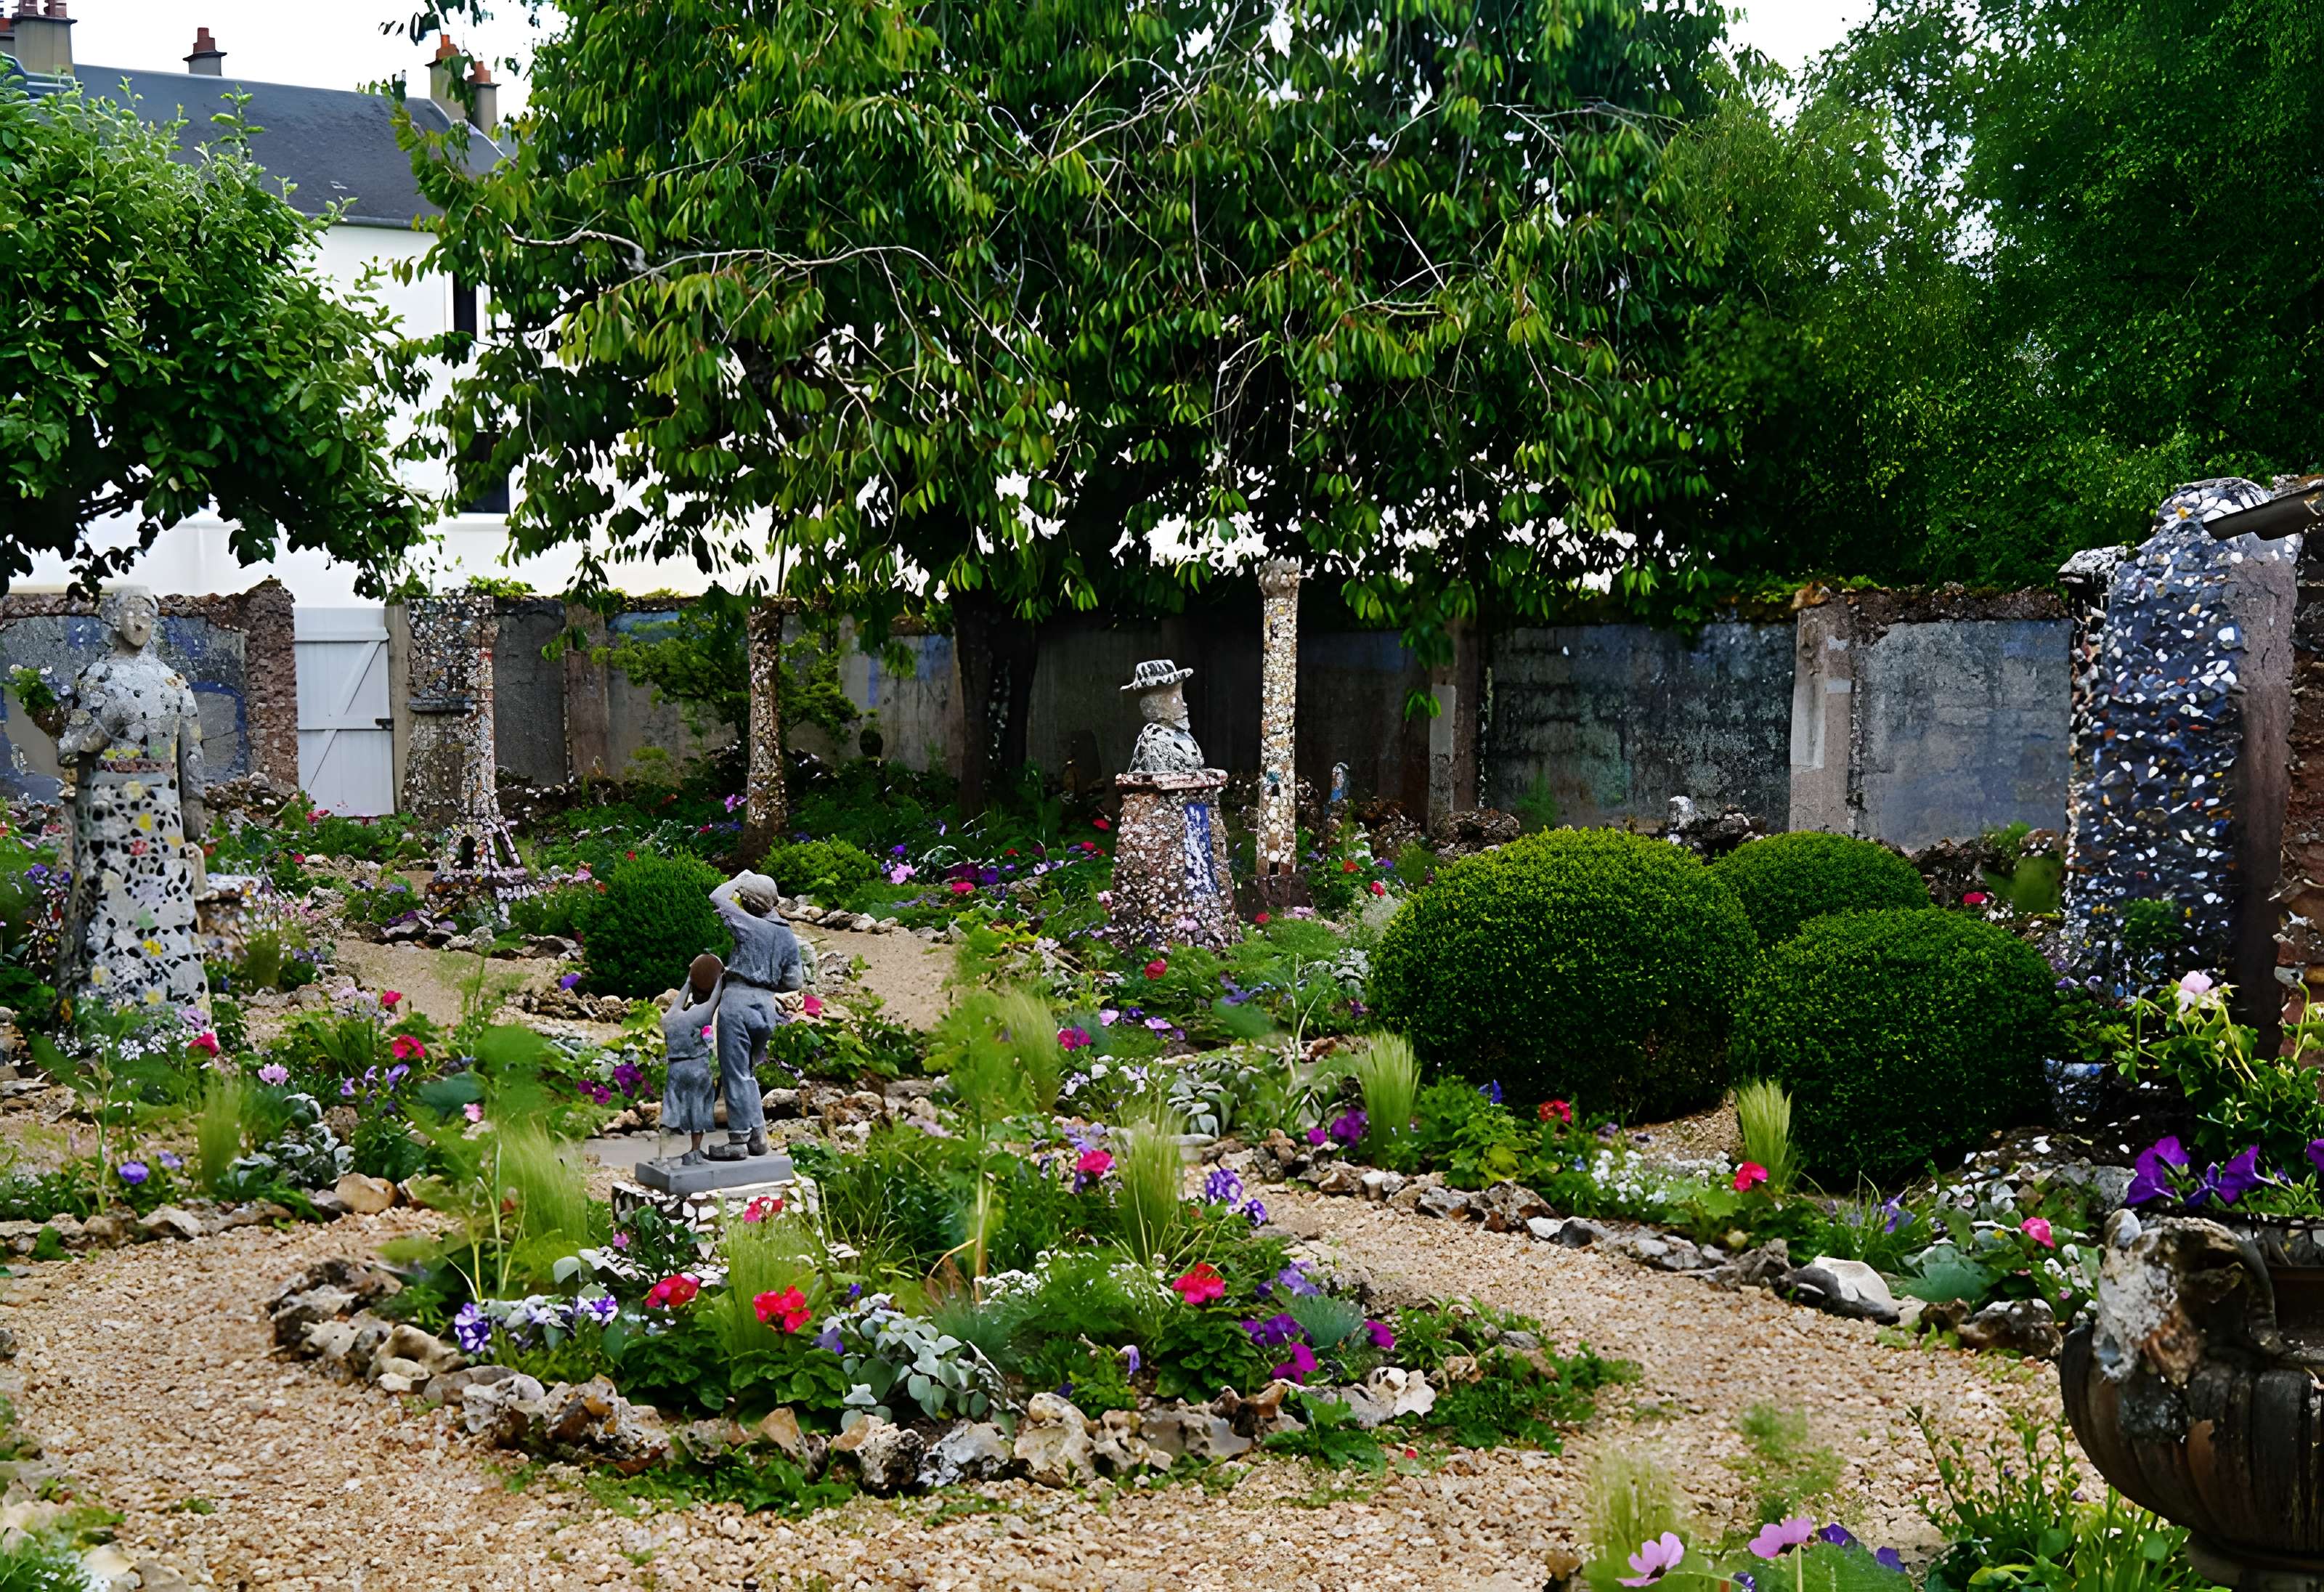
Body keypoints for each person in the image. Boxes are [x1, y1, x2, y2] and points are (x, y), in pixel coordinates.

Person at [705, 870, 803, 1160]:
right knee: (748, 1073)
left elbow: (717, 897)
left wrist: (739, 878)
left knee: (735, 1073)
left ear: (748, 903)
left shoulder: (746, 924)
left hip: (738, 1002)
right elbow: (794, 982)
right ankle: (758, 1137)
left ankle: (737, 1141)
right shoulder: (787, 935)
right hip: (765, 1007)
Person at [658, 953, 723, 1164]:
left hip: (675, 1069)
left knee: (671, 1111)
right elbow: (715, 998)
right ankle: (695, 1150)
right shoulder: (701, 1016)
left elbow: (680, 997)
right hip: (697, 1067)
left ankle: (661, 1153)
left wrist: (690, 977)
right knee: (699, 1110)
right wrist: (721, 978)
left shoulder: (670, 1017)